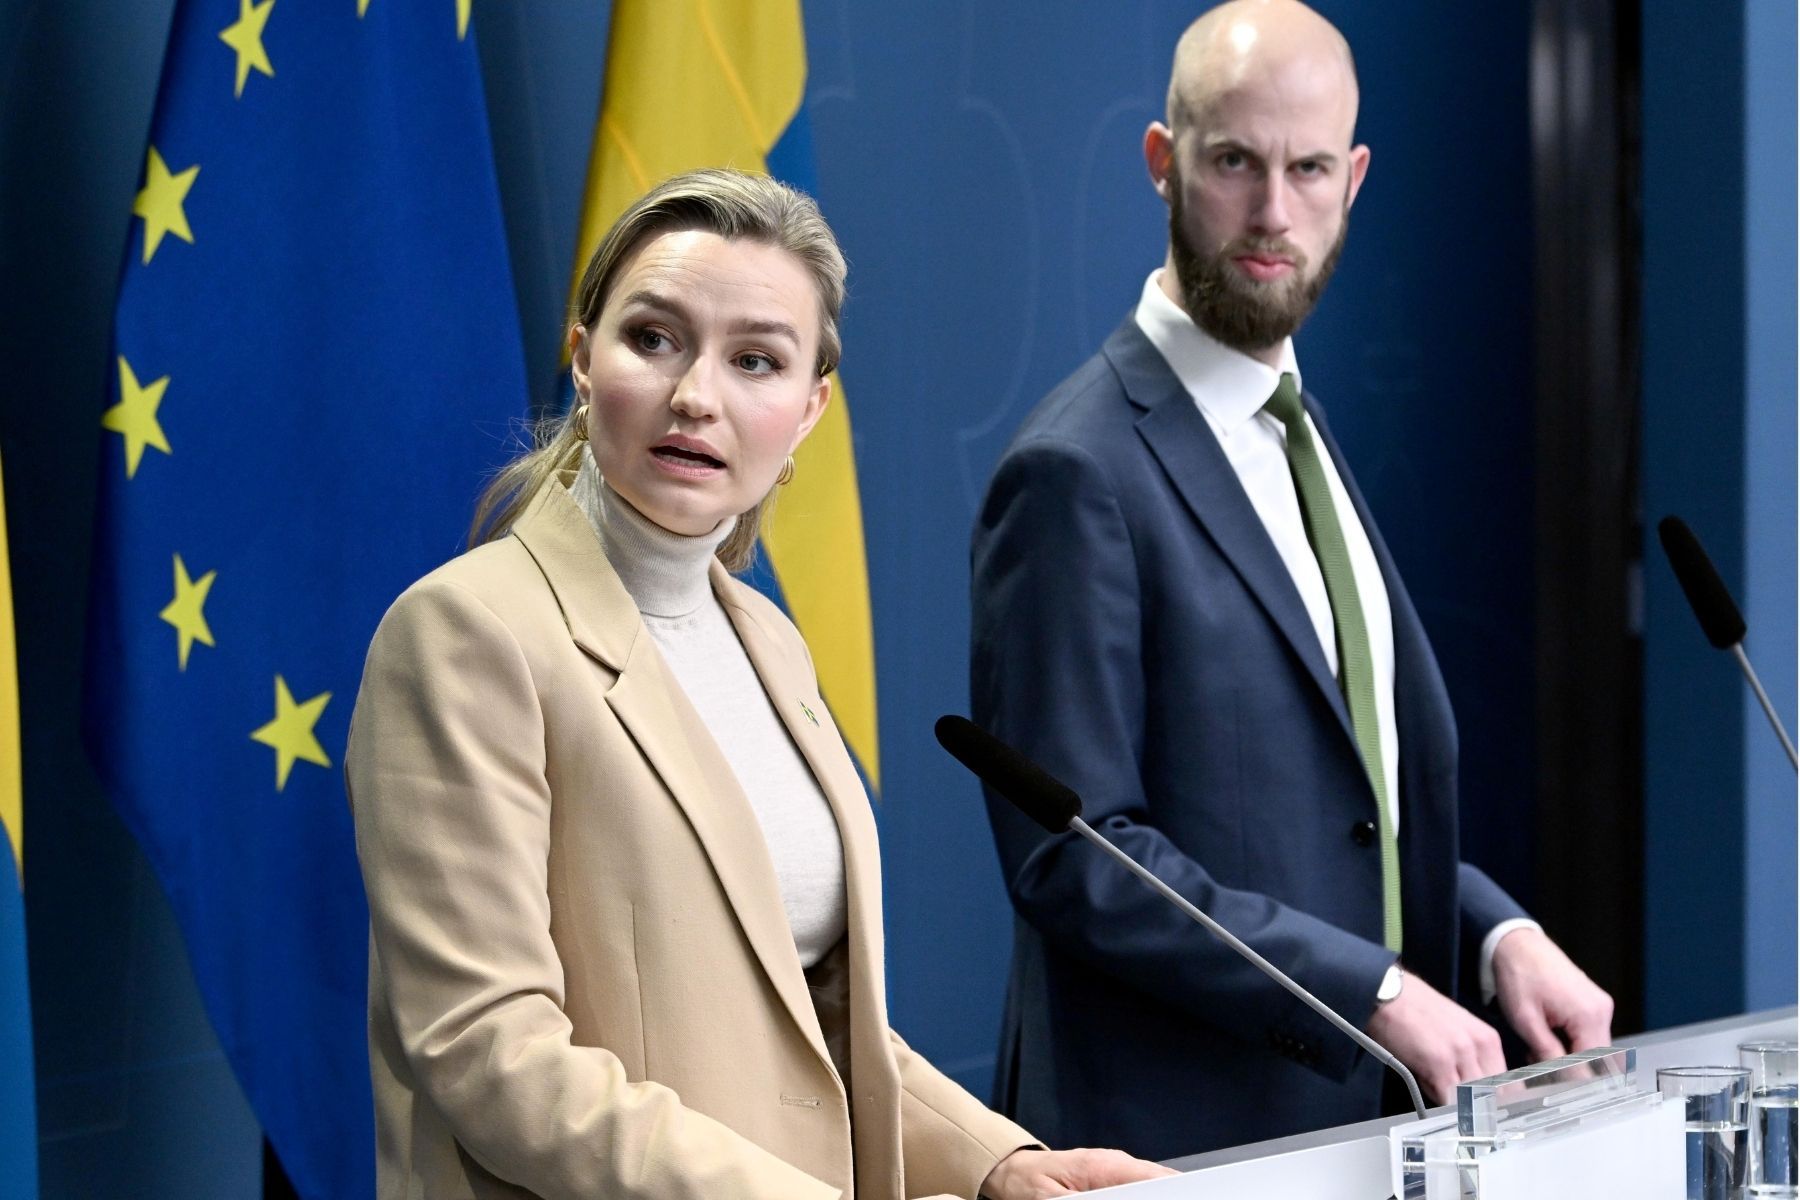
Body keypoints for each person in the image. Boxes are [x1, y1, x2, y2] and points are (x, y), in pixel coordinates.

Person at [346, 168, 1171, 1200]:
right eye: (653, 339)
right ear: (583, 356)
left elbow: (817, 1021)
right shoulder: (466, 634)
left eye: (755, 360)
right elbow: (490, 1056)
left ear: (810, 409)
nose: (697, 395)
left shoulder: (765, 638)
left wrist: (1000, 1161)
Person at [969, 0, 1614, 1161]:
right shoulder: (1075, 469)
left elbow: (1333, 821)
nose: (1274, 214)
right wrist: (1373, 990)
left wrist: (1492, 935)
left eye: (1309, 169)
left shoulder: (1295, 434)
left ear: (1354, 178)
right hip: (1166, 1153)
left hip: (1350, 1140)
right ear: (1163, 164)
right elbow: (1078, 856)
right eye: (1234, 163)